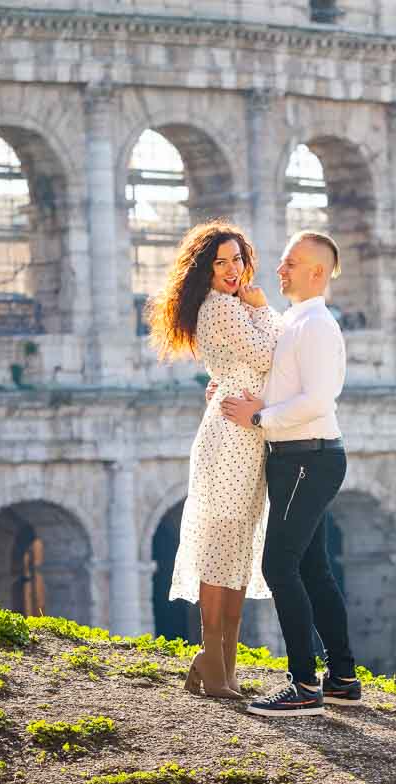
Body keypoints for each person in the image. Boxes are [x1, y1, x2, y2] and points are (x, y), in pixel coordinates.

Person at [221, 230, 361, 717]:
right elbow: (283, 384)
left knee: (278, 565)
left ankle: (304, 685)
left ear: (317, 273)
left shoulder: (317, 326)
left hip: (309, 457)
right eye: (282, 262)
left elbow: (319, 399)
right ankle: (341, 678)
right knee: (313, 568)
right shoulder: (294, 323)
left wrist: (260, 418)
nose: (279, 270)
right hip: (299, 458)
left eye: (290, 263)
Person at [146, 219, 283, 699]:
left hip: (244, 434)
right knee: (222, 549)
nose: (231, 269)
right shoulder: (225, 309)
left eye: (237, 260)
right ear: (205, 271)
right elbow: (273, 356)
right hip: (230, 437)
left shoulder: (228, 307)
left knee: (239, 552)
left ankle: (223, 664)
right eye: (220, 262)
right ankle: (210, 657)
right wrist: (264, 307)